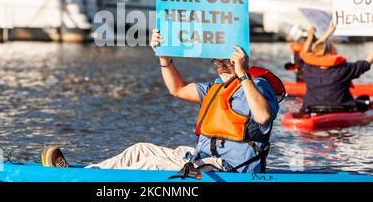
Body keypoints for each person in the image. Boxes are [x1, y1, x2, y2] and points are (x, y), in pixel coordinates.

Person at [41, 29, 285, 174]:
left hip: (232, 167)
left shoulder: (256, 85)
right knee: (140, 149)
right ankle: (82, 174)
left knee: (152, 163)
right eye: (217, 62)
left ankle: (80, 180)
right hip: (201, 158)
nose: (220, 67)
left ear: (239, 62)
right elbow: (177, 89)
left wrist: (243, 74)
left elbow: (263, 117)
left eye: (226, 62)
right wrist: (163, 56)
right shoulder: (215, 87)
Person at [299, 22, 373, 112]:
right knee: (364, 98)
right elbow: (366, 64)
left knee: (362, 98)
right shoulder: (343, 69)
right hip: (341, 109)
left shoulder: (308, 68)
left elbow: (307, 53)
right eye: (334, 49)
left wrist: (328, 32)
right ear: (331, 53)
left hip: (312, 109)